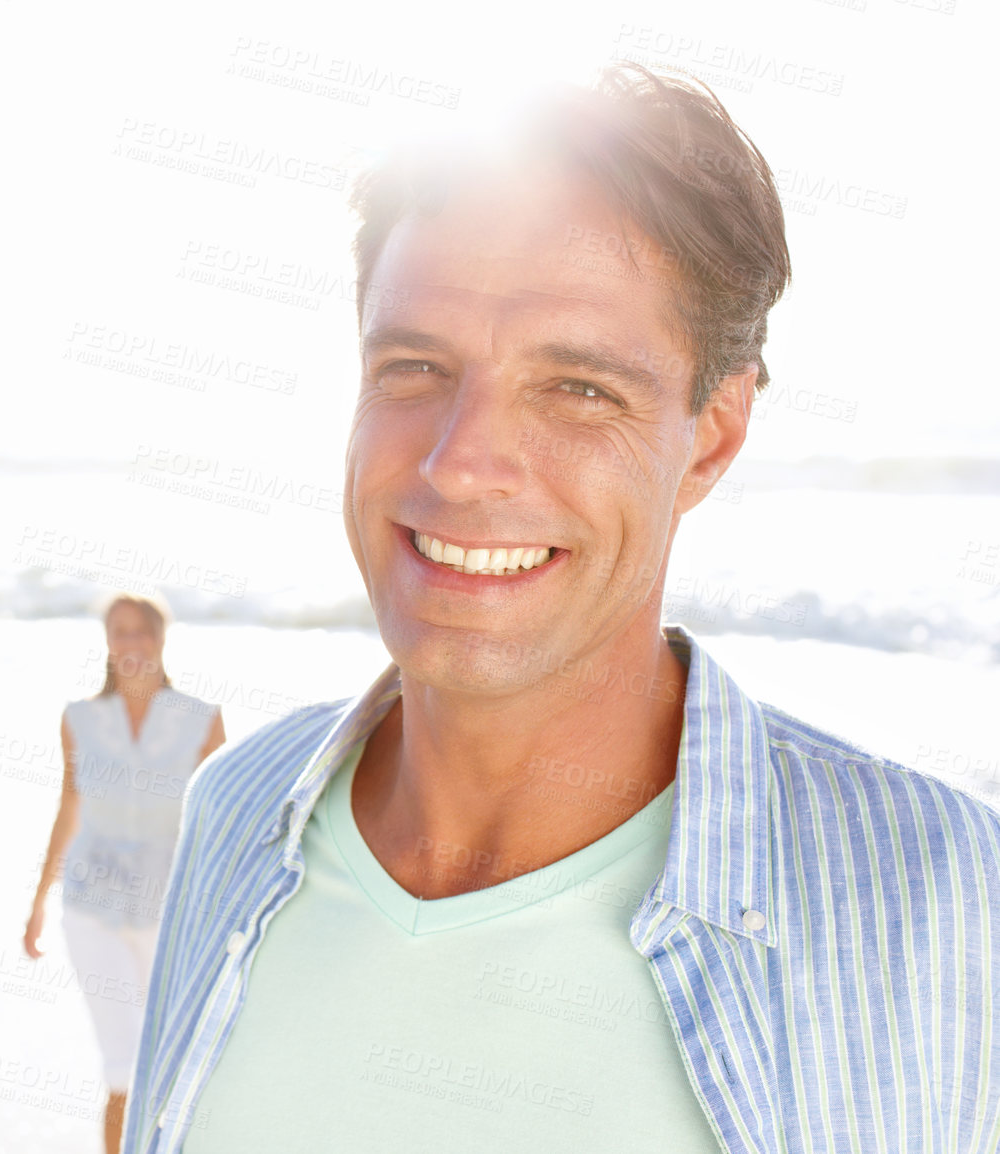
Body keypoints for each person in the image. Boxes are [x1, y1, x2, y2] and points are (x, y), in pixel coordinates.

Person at [121, 63, 1000, 1153]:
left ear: (712, 434)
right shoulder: (235, 812)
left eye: (578, 387)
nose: (462, 464)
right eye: (414, 367)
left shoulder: (943, 898)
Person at [24, 591, 225, 1154]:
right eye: (120, 631)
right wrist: (39, 900)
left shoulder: (202, 720)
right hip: (92, 911)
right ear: (107, 643)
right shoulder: (80, 719)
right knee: (123, 1068)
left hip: (171, 913)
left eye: (143, 631)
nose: (131, 642)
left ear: (162, 638)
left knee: (176, 1059)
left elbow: (220, 823)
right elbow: (70, 804)